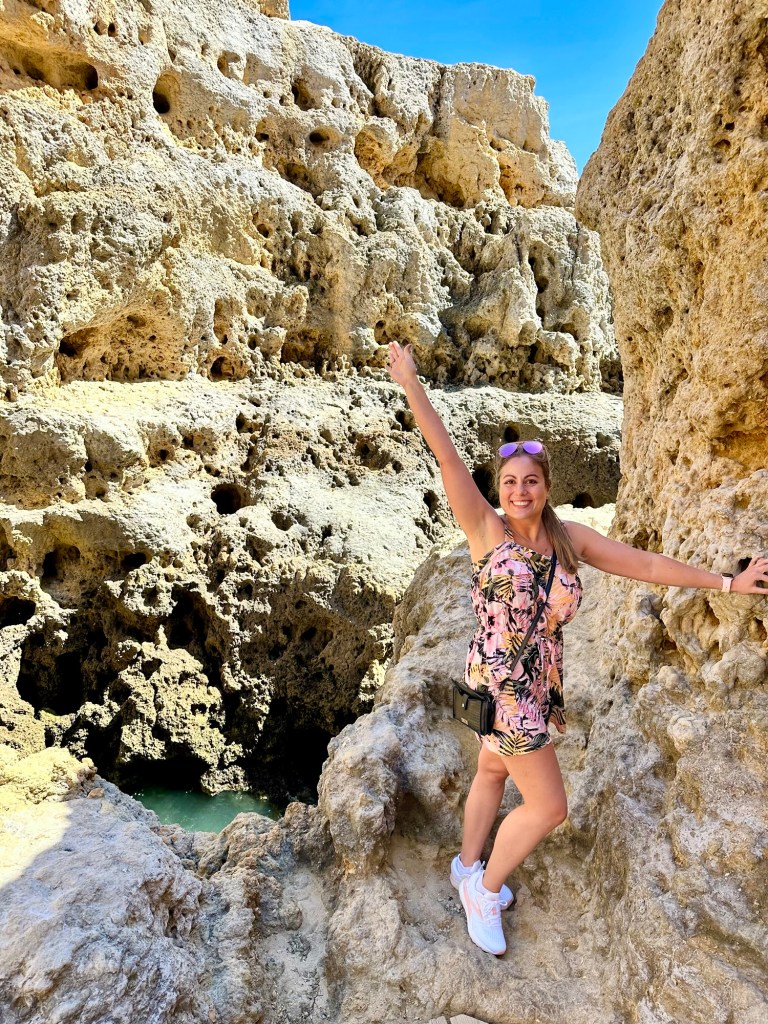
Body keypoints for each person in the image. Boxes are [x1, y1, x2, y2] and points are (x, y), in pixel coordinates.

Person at [386, 340, 768, 957]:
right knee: (549, 807)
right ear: (499, 488)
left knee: (492, 769)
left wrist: (726, 583)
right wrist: (410, 381)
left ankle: (465, 864)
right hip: (502, 686)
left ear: (546, 487)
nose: (519, 491)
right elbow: (446, 451)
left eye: (530, 481)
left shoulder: (571, 540)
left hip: (535, 683)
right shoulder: (486, 530)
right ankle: (483, 890)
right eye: (509, 482)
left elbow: (646, 564)